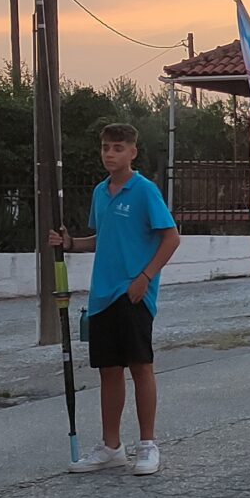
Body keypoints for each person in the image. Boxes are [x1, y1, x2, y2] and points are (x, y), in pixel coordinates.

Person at [50, 123, 182, 476]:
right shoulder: (100, 192)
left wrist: (145, 277)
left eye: (118, 148)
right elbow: (103, 237)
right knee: (108, 371)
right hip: (102, 295)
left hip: (134, 292)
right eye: (106, 147)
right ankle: (111, 447)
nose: (110, 154)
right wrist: (71, 244)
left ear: (132, 152)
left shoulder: (145, 191)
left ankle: (148, 444)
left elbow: (171, 238)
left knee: (140, 366)